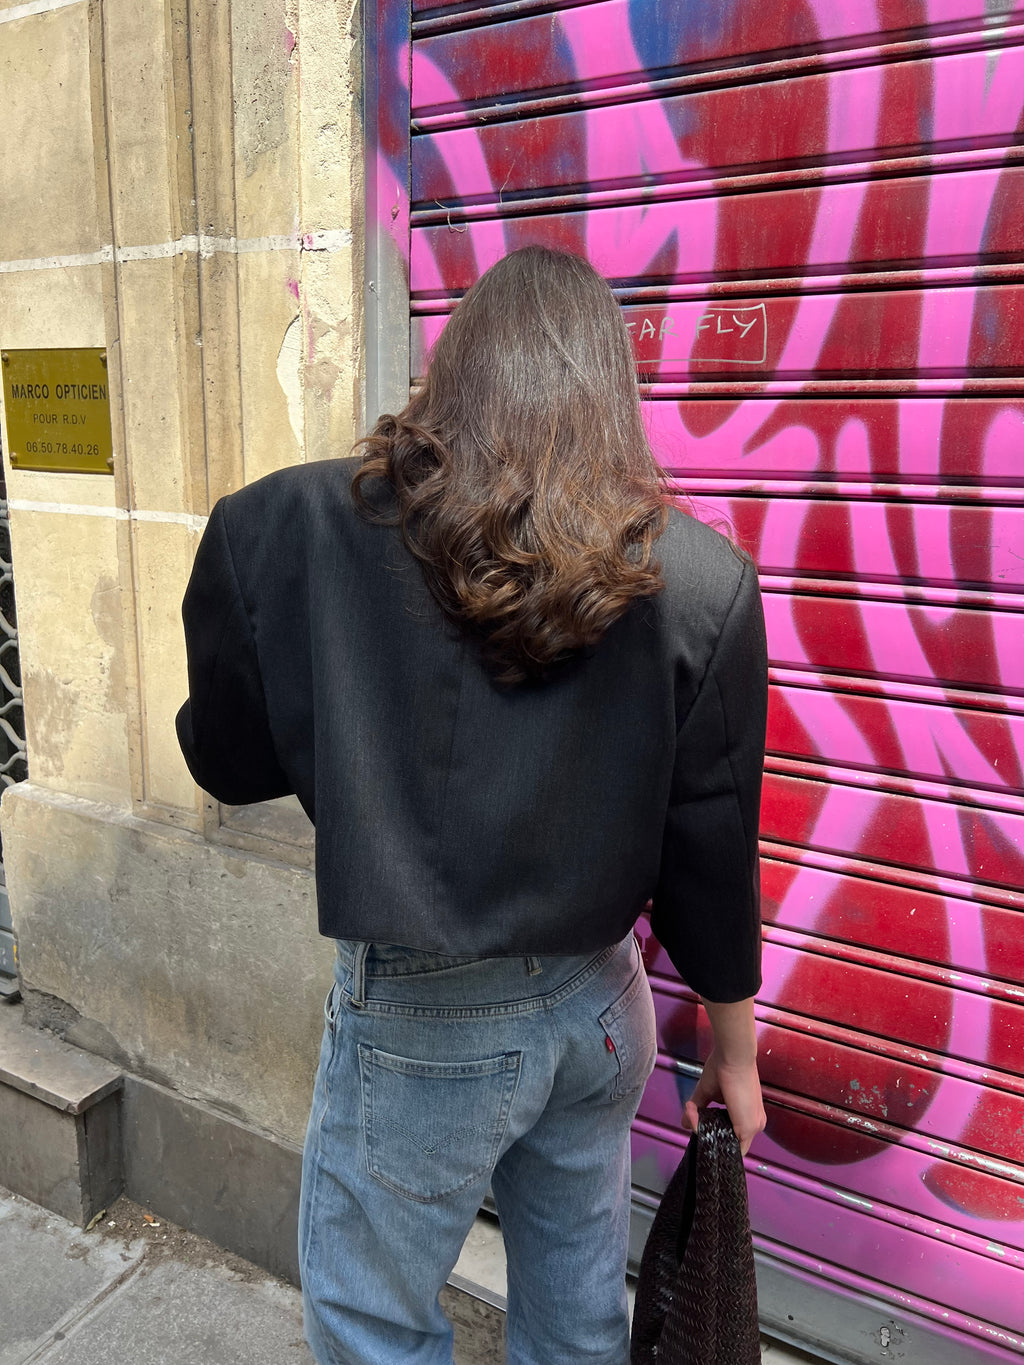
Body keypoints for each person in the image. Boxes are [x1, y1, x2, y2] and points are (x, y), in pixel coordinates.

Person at [176, 245, 768, 1365]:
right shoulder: (700, 581)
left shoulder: (294, 525)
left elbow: (227, 759)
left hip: (424, 1018)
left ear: (454, 369)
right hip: (600, 1008)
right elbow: (712, 854)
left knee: (373, 1323)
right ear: (611, 392)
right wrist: (733, 1055)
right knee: (577, 1321)